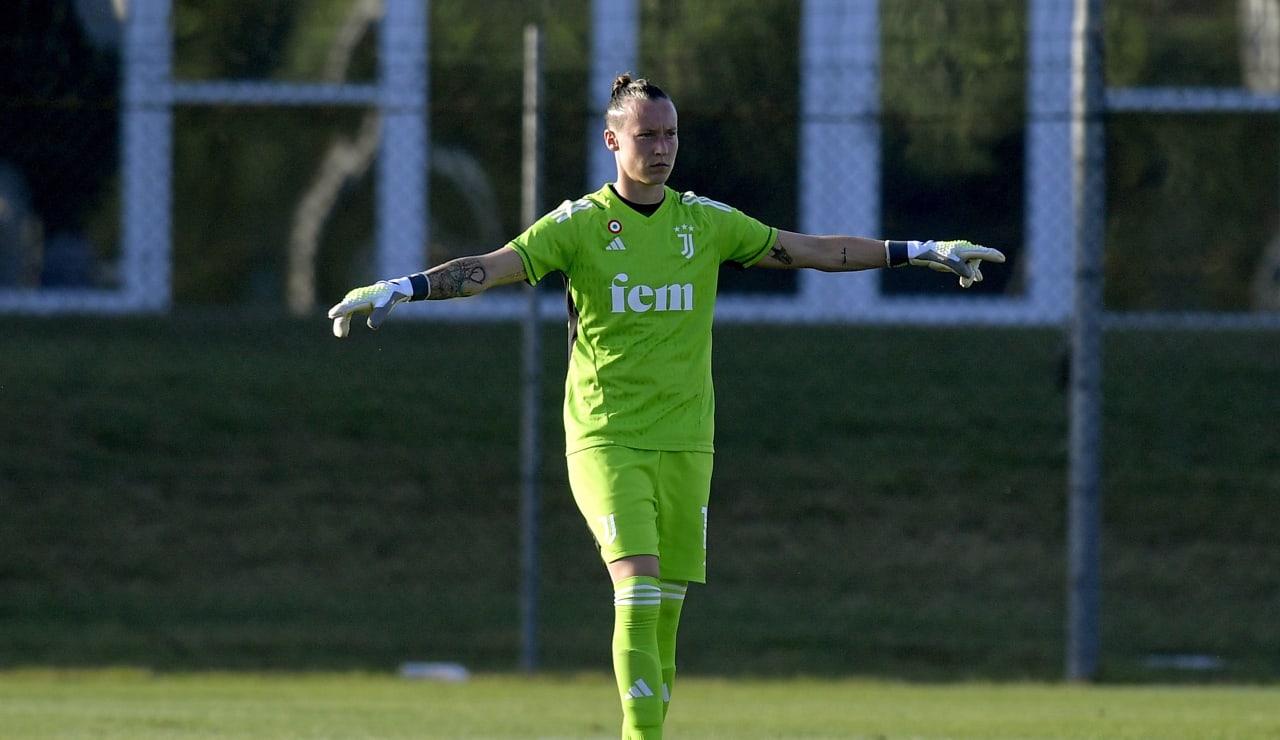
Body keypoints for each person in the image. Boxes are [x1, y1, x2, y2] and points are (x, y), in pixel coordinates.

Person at [328, 74, 1005, 740]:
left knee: (668, 613)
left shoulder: (704, 223)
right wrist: (406, 287)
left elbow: (811, 251)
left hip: (687, 440)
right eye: (646, 134)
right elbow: (492, 266)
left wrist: (920, 251)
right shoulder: (580, 226)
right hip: (606, 436)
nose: (661, 147)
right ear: (612, 141)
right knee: (639, 586)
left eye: (671, 133)